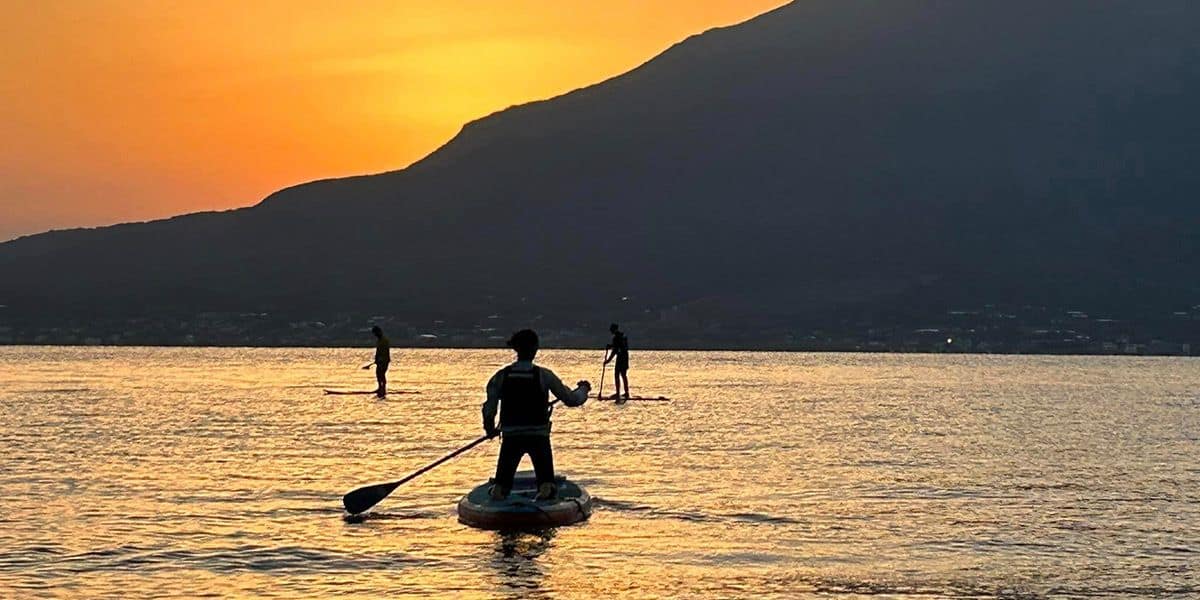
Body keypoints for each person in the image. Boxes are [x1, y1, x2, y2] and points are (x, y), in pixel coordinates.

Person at [482, 329, 590, 501]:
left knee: (502, 483)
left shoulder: (501, 376)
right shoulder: (544, 375)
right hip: (538, 436)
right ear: (535, 350)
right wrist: (584, 389)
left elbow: (490, 407)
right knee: (546, 481)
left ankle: (500, 490)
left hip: (512, 436)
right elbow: (571, 399)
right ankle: (546, 489)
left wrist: (489, 428)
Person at [604, 323, 630, 400]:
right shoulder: (622, 336)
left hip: (621, 358)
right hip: (625, 357)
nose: (610, 331)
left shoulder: (616, 338)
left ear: (614, 329)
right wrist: (611, 346)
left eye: (611, 330)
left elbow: (615, 351)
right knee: (623, 375)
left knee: (617, 375)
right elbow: (617, 346)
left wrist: (607, 361)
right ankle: (626, 392)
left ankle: (618, 393)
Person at [363, 325, 390, 397]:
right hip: (379, 360)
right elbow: (378, 352)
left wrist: (381, 359)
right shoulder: (379, 340)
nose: (375, 335)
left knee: (381, 374)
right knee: (378, 374)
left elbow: (385, 352)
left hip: (384, 361)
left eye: (375, 333)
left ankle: (383, 388)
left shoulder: (384, 341)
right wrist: (377, 359)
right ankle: (380, 387)